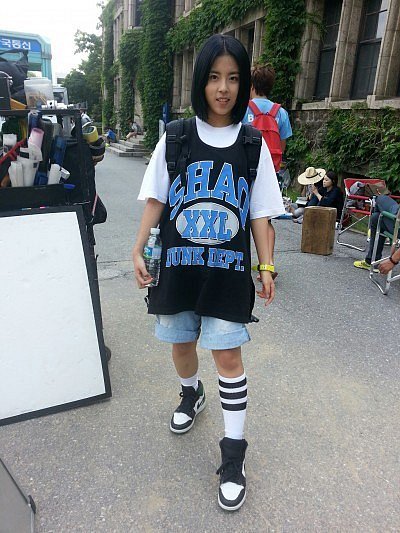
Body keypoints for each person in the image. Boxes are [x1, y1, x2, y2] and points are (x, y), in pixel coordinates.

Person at [132, 34, 284, 512]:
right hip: (178, 269)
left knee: (229, 358)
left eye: (233, 78)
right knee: (181, 347)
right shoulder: (177, 136)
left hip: (227, 273)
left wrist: (266, 264)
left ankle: (233, 455)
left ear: (243, 83)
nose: (223, 88)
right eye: (215, 77)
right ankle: (191, 392)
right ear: (201, 81)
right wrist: (138, 248)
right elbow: (156, 199)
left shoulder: (252, 144)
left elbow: (260, 213)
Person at [242, 64, 292, 272]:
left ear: (251, 85)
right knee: (266, 219)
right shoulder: (280, 113)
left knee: (241, 218)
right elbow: (282, 145)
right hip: (270, 172)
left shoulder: (243, 109)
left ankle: (240, 262)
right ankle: (268, 264)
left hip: (244, 170)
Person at [354, 194, 399, 271]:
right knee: (376, 218)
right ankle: (371, 260)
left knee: (380, 198)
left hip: (397, 221)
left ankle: (370, 230)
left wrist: (392, 261)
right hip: (396, 220)